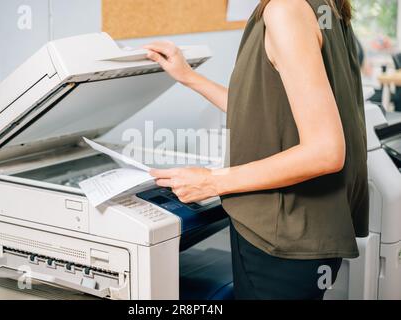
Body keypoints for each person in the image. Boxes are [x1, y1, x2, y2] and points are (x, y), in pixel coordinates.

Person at [145, 0, 369, 300]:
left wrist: (211, 181)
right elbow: (266, 112)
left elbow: (326, 151)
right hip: (308, 234)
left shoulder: (285, 10)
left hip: (282, 239)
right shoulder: (325, 8)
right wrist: (189, 77)